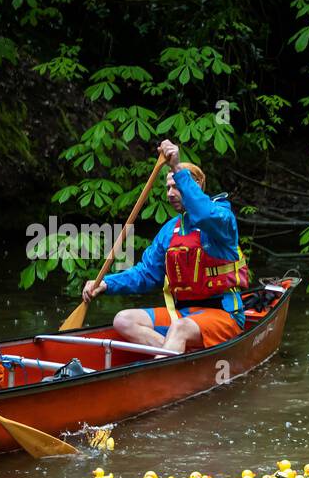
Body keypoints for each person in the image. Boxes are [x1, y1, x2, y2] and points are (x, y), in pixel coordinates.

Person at [82, 139, 250, 353]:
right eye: (168, 187)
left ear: (195, 186)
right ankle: (176, 359)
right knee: (123, 320)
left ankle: (163, 368)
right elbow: (146, 274)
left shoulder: (222, 219)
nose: (170, 194)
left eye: (176, 186)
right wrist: (106, 284)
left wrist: (177, 168)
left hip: (224, 315)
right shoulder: (170, 230)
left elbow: (204, 213)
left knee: (179, 328)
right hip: (185, 314)